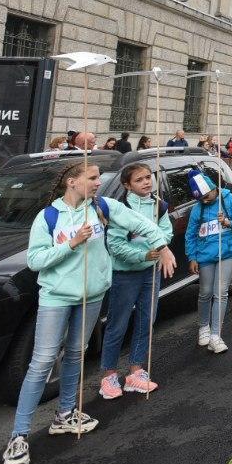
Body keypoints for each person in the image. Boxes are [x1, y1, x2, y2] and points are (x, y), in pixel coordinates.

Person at [1, 160, 174, 464]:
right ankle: (19, 435)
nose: (98, 183)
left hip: (92, 296)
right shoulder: (49, 216)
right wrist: (72, 243)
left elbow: (142, 224)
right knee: (41, 362)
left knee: (77, 355)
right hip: (56, 298)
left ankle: (65, 415)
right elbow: (36, 259)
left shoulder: (102, 206)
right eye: (92, 178)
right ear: (72, 181)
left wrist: (162, 246)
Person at [99, 163, 175, 400]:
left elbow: (167, 232)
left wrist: (154, 248)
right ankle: (109, 375)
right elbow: (116, 245)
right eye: (139, 179)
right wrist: (142, 254)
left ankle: (136, 371)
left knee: (146, 321)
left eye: (148, 178)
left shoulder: (158, 205)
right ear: (126, 185)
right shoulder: (121, 208)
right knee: (117, 324)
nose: (146, 182)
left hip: (150, 273)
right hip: (125, 274)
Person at [184, 169, 232, 353]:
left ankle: (215, 335)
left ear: (213, 188)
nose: (205, 200)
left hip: (226, 253)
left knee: (221, 292)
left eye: (207, 195)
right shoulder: (198, 208)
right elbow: (190, 234)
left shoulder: (230, 200)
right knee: (205, 292)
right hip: (205, 256)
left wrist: (228, 223)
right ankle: (203, 327)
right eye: (200, 198)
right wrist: (192, 257)